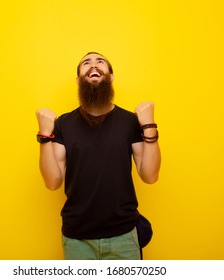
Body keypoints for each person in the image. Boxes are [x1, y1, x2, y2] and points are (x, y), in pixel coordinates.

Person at [35, 52, 161, 260]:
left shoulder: (130, 121)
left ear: (111, 76)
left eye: (100, 61)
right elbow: (52, 182)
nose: (93, 65)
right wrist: (44, 136)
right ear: (79, 79)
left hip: (124, 236)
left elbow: (150, 176)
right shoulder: (63, 124)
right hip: (77, 239)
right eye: (86, 63)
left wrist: (148, 126)